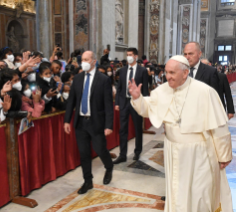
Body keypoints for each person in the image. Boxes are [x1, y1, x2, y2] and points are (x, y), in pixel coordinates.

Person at [129, 55, 232, 212]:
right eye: (166, 72)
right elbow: (148, 109)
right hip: (173, 149)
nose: (167, 77)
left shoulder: (205, 91)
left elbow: (219, 127)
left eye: (172, 73)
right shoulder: (161, 91)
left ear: (185, 73)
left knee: (199, 191)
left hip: (199, 151)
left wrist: (223, 155)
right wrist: (137, 98)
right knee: (177, 189)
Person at [64, 51, 114, 194]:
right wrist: (67, 120)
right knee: (84, 153)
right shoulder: (78, 79)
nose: (83, 62)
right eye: (82, 60)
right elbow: (71, 101)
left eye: (86, 60)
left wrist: (108, 125)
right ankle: (88, 181)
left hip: (96, 122)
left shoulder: (103, 80)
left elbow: (108, 104)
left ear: (94, 61)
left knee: (100, 149)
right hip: (80, 122)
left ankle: (109, 167)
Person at [114, 48, 149, 163]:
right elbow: (119, 88)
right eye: (127, 54)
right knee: (123, 129)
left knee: (138, 128)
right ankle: (122, 154)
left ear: (135, 56)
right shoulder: (123, 70)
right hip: (124, 102)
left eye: (130, 55)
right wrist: (117, 103)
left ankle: (137, 151)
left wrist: (145, 104)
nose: (128, 57)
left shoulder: (142, 70)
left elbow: (144, 89)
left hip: (137, 102)